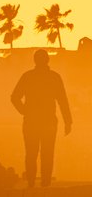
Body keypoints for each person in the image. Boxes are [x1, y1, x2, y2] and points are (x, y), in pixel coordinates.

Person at [10, 49, 72, 188]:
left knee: (31, 153)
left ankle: (31, 182)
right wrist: (68, 122)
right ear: (47, 60)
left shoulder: (28, 76)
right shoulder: (54, 77)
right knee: (47, 153)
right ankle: (45, 182)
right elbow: (63, 100)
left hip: (32, 122)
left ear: (35, 60)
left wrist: (25, 111)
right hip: (48, 122)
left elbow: (14, 98)